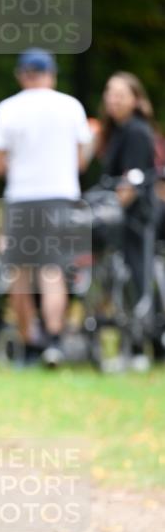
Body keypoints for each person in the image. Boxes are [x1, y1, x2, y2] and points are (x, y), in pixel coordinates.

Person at [0, 49, 91, 367]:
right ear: (51, 74)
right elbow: (82, 158)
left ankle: (30, 343)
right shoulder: (71, 106)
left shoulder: (7, 109)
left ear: (21, 75)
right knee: (53, 271)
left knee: (19, 273)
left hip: (22, 197)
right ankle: (55, 341)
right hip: (61, 196)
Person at [93, 72, 157, 363]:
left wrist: (110, 210)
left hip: (135, 219)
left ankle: (141, 345)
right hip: (119, 218)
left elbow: (131, 183)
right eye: (110, 92)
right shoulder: (117, 131)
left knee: (136, 279)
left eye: (121, 93)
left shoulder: (137, 131)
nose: (113, 99)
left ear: (135, 99)